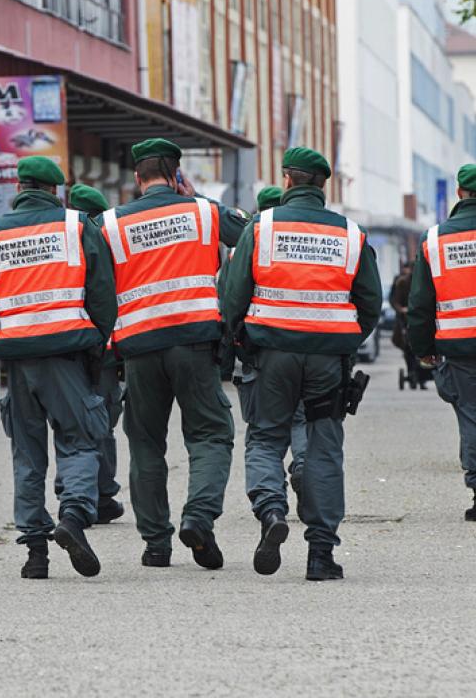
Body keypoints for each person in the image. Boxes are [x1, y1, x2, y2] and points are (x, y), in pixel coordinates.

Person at [224, 147, 382, 581]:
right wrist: (345, 340)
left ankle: (272, 510)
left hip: (271, 355)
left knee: (266, 437)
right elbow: (370, 302)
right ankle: (321, 555)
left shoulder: (262, 227)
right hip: (328, 360)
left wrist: (241, 340)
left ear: (288, 181)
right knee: (324, 448)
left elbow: (233, 295)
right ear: (322, 184)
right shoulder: (351, 234)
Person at [0, 157, 117, 579]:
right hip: (68, 355)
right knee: (82, 440)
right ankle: (72, 517)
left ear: (19, 186)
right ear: (56, 191)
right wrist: (97, 345)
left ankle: (35, 555)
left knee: (27, 458)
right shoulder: (76, 226)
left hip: (16, 362)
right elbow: (104, 294)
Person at [100, 138, 245, 569]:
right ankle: (198, 518)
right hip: (195, 345)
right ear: (177, 174)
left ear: (136, 177)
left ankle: (156, 545)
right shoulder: (203, 212)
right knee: (211, 435)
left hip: (138, 349)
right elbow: (254, 235)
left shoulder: (110, 223)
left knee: (145, 444)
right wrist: (196, 199)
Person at [221, 185, 307, 511]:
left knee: (263, 434)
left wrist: (226, 362)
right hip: (311, 349)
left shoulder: (242, 246)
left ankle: (271, 506)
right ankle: (303, 467)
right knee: (303, 420)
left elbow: (229, 305)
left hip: (260, 354)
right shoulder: (308, 242)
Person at [51, 182, 124, 525]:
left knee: (67, 421)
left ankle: (69, 486)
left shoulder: (65, 240)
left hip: (67, 345)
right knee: (100, 423)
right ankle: (101, 493)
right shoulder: (105, 241)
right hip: (104, 349)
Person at [407, 163, 476, 522]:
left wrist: (422, 349)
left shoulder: (436, 239)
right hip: (459, 345)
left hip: (460, 346)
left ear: (460, 193)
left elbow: (420, 303)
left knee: (472, 417)